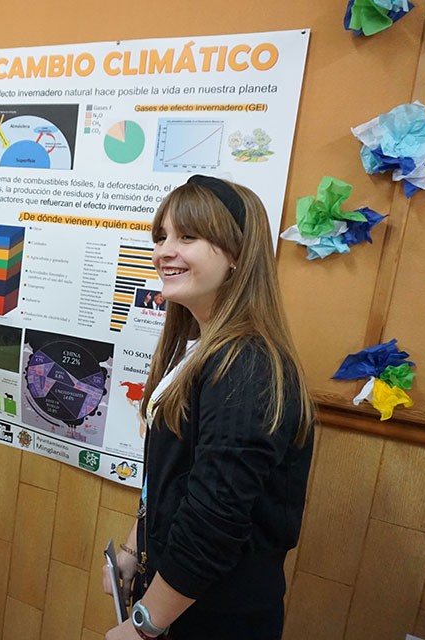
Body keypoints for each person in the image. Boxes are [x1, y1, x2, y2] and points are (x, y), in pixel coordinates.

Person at [103, 175, 314, 640]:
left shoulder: (247, 365)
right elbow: (174, 482)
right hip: (177, 598)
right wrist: (135, 551)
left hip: (217, 615)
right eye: (161, 237)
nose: (164, 251)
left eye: (188, 236)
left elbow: (213, 522)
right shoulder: (199, 348)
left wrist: (143, 624)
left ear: (237, 253)